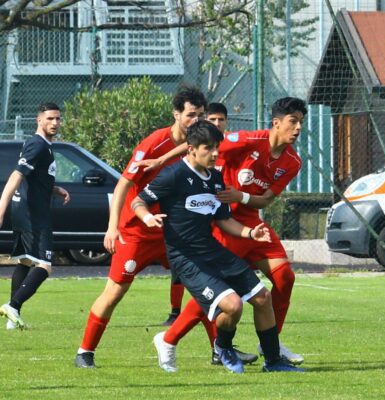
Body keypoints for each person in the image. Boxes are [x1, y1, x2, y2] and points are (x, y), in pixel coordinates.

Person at [73, 86, 245, 368]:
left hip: (176, 233)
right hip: (138, 231)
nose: (197, 121)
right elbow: (124, 185)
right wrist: (112, 227)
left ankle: (218, 350)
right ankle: (85, 351)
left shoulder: (199, 145)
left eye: (201, 115)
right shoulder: (152, 143)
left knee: (206, 289)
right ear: (176, 114)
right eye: (191, 115)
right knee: (115, 292)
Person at [140, 97, 307, 365]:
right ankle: (170, 338)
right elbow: (199, 144)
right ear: (276, 123)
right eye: (293, 121)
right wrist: (161, 159)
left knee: (285, 277)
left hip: (250, 221)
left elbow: (265, 200)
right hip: (224, 223)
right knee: (219, 293)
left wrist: (240, 196)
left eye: (301, 122)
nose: (298, 127)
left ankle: (271, 345)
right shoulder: (248, 140)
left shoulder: (292, 162)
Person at [160, 101, 231, 328]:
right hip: (181, 238)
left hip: (217, 227)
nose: (216, 123)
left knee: (222, 295)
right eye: (211, 119)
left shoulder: (229, 146)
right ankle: (173, 319)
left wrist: (249, 225)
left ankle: (218, 349)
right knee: (115, 289)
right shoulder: (178, 169)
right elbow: (136, 195)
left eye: (221, 119)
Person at [0, 102, 70, 330]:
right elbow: (16, 177)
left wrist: (54, 189)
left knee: (25, 261)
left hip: (25, 211)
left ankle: (13, 316)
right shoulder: (38, 145)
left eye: (58, 119)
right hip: (33, 215)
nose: (55, 123)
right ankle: (13, 305)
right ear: (39, 120)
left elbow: (34, 177)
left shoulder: (42, 145)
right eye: (50, 119)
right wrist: (1, 209)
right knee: (45, 265)